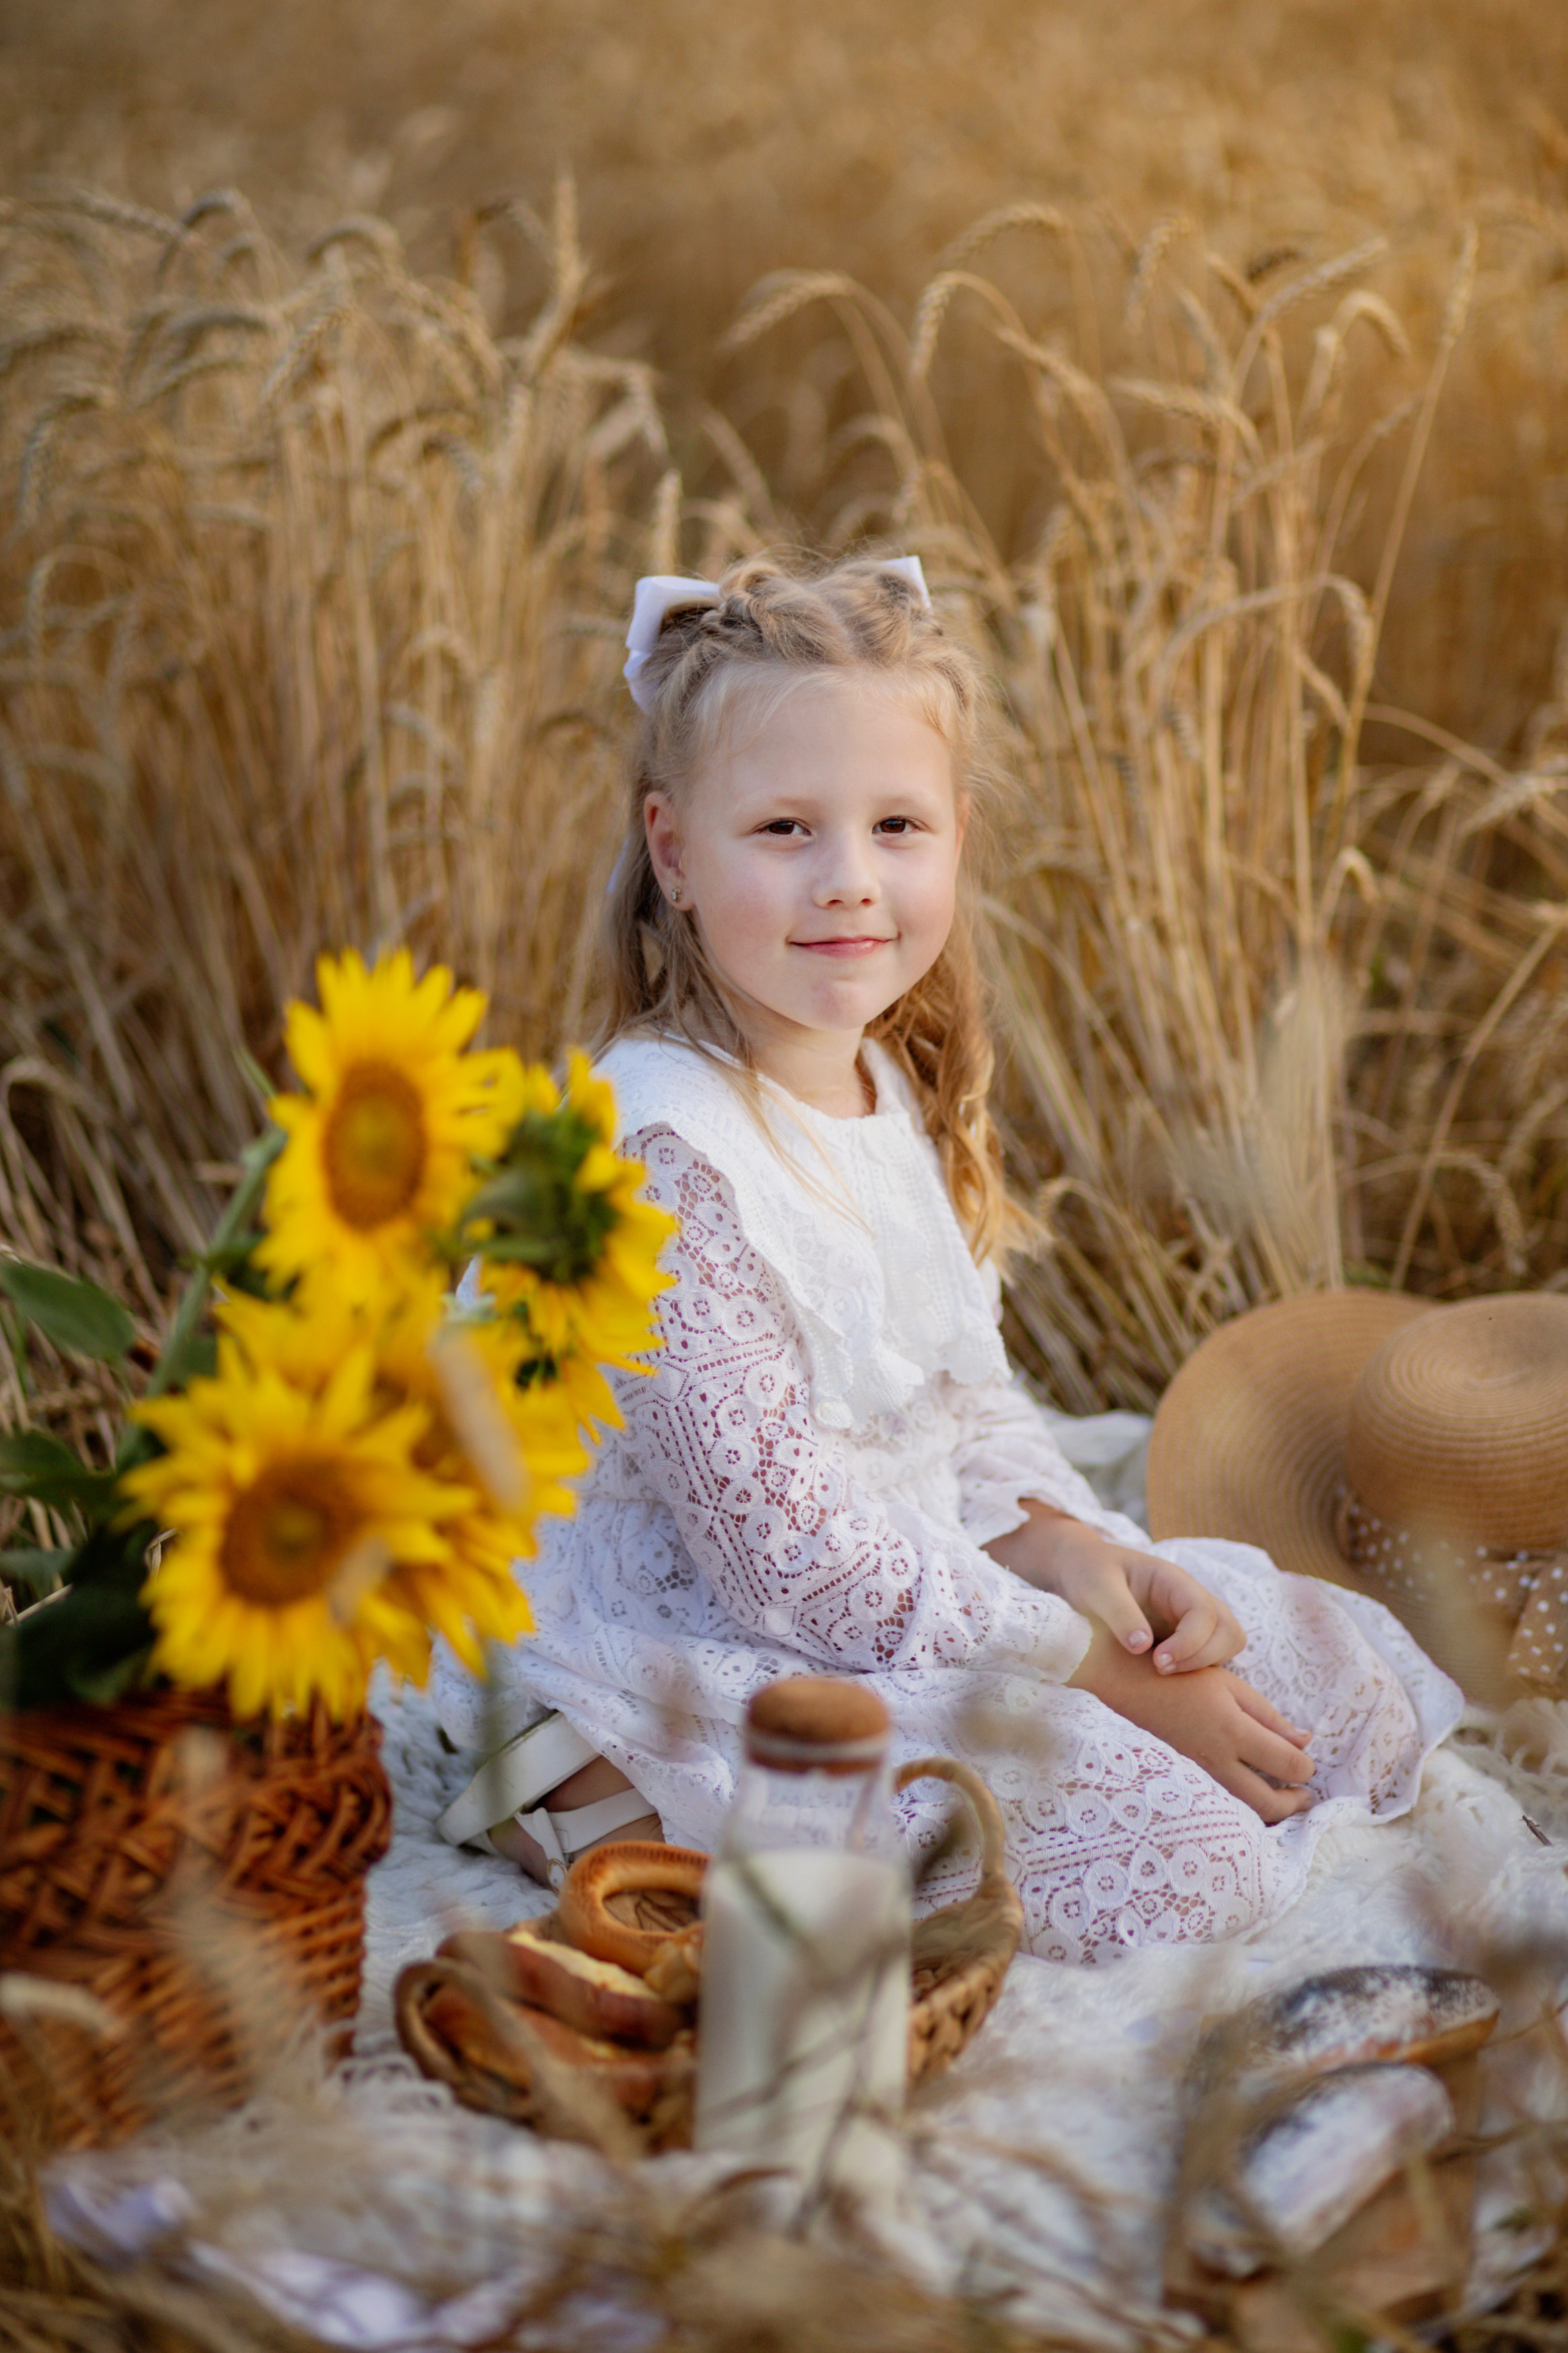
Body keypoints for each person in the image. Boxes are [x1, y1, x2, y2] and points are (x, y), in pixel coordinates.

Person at [431, 555, 1462, 1965]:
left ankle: (994, 1752)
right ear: (673, 850)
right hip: (676, 1641)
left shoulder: (885, 1092)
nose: (849, 881)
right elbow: (781, 1557)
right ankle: (604, 1804)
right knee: (1181, 1853)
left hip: (895, 1578)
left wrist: (1073, 1549)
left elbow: (964, 1402)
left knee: (1344, 1686)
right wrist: (1098, 1672)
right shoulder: (654, 1150)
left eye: (896, 824)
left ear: (957, 837)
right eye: (785, 827)